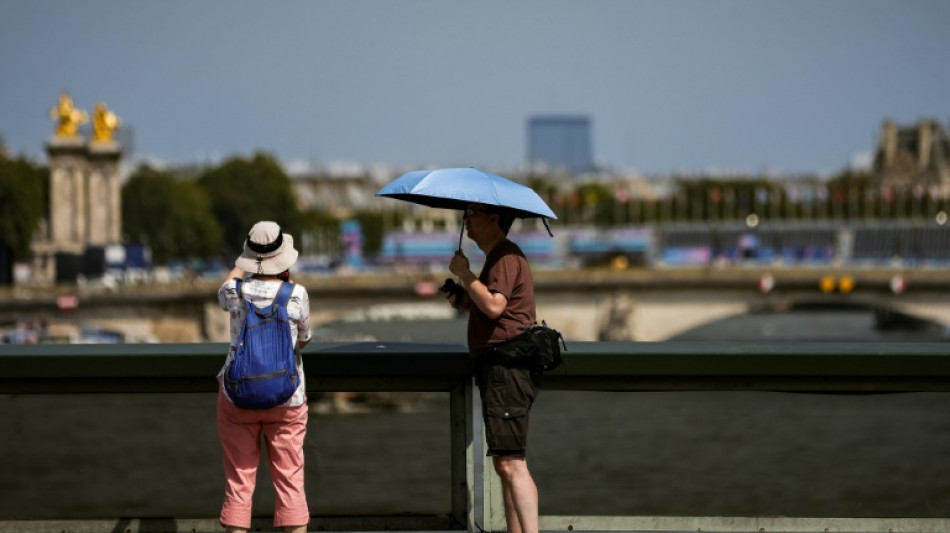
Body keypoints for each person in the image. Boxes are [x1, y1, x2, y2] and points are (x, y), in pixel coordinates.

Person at [445, 203, 540, 533]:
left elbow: (495, 306)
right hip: (500, 369)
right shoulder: (498, 258)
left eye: (471, 215)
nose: (465, 221)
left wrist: (464, 273)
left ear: (493, 219)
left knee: (512, 462)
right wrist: (461, 296)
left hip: (507, 368)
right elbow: (485, 303)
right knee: (505, 461)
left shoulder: (503, 256)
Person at [216, 221, 312, 533]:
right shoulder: (296, 294)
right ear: (282, 257)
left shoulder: (234, 292)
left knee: (239, 482)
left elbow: (225, 285)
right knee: (290, 481)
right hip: (287, 398)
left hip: (237, 396)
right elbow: (305, 338)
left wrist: (242, 263)